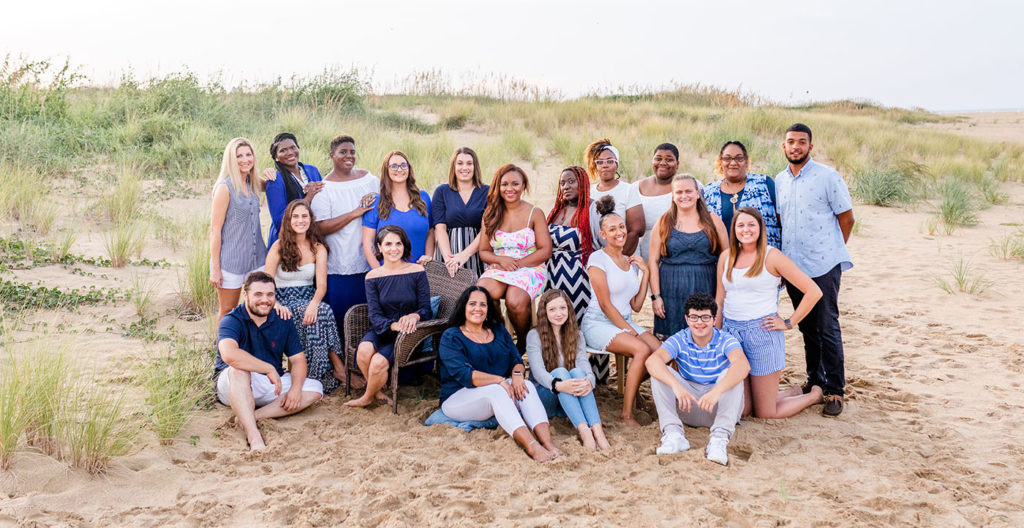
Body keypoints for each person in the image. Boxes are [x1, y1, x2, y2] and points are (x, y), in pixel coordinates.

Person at [775, 123, 855, 416]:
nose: (796, 146)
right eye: (790, 142)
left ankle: (835, 390)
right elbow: (782, 221)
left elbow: (847, 218)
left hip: (823, 264)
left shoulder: (827, 177)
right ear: (783, 147)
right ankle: (815, 381)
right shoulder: (779, 181)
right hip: (794, 266)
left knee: (827, 326)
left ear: (811, 146)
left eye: (802, 142)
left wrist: (832, 252)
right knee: (807, 326)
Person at [716, 207, 824, 419]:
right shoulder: (726, 257)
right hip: (731, 334)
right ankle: (790, 391)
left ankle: (814, 396)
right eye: (740, 225)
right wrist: (717, 336)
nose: (745, 229)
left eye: (751, 225)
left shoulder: (772, 256)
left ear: (760, 228)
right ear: (734, 229)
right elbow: (720, 300)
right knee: (744, 409)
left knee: (765, 413)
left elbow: (813, 291)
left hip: (762, 333)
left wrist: (788, 322)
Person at [439, 286, 563, 462]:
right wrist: (500, 381)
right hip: (458, 397)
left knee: (526, 385)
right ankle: (532, 447)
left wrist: (518, 375)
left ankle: (548, 443)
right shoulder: (451, 336)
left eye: (483, 304)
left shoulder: (497, 330)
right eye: (472, 304)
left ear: (488, 309)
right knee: (497, 390)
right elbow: (466, 375)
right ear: (463, 307)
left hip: (499, 392)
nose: (478, 309)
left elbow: (516, 359)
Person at [214, 271, 324, 451]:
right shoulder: (232, 320)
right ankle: (253, 435)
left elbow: (298, 360)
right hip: (233, 384)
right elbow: (229, 354)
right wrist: (267, 368)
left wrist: (295, 390)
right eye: (258, 294)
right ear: (245, 295)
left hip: (267, 383)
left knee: (315, 389)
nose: (265, 300)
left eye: (270, 295)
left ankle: (252, 416)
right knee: (238, 370)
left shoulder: (282, 319)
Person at [581, 196, 660, 427]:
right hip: (599, 322)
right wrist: (629, 331)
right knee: (641, 349)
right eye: (612, 229)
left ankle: (633, 391)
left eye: (622, 227)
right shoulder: (597, 259)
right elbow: (605, 305)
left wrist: (645, 273)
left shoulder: (630, 262)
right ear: (603, 235)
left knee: (662, 352)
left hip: (624, 320)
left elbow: (635, 306)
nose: (619, 232)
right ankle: (626, 415)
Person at [646, 293, 749, 464]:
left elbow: (743, 366)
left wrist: (717, 391)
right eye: (694, 317)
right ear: (687, 319)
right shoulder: (681, 338)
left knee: (731, 374)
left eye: (705, 317)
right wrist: (676, 386)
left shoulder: (726, 340)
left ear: (714, 319)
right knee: (660, 372)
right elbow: (652, 361)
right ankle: (674, 434)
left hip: (717, 408)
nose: (699, 322)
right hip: (689, 404)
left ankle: (718, 440)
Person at [347, 226, 432, 408]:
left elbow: (426, 308)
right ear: (379, 247)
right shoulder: (372, 276)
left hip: (408, 333)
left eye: (398, 244)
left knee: (377, 362)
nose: (394, 249)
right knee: (363, 351)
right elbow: (375, 315)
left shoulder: (417, 271)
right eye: (388, 244)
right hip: (384, 327)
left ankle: (366, 397)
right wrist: (392, 325)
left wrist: (414, 316)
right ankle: (377, 392)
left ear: (404, 246)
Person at [265, 200, 343, 394]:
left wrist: (314, 304)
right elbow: (266, 283)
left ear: (311, 219)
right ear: (289, 221)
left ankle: (317, 373)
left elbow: (321, 286)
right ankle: (332, 370)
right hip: (281, 300)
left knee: (322, 311)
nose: (300, 220)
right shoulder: (278, 247)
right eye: (296, 217)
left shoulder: (318, 248)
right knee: (320, 314)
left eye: (304, 216)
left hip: (309, 297)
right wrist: (275, 304)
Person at [309, 135, 378, 344]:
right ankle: (343, 367)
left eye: (352, 152)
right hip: (339, 265)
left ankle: (363, 360)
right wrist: (354, 213)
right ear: (332, 155)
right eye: (343, 152)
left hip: (368, 261)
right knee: (342, 319)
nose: (349, 156)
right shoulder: (324, 188)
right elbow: (319, 227)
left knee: (366, 316)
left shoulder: (370, 180)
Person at [477, 164, 552, 353]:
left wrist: (517, 264)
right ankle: (500, 333)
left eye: (515, 184)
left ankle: (524, 341)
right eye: (504, 184)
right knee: (482, 293)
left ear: (524, 185)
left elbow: (545, 250)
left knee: (514, 300)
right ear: (498, 186)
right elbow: (484, 251)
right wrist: (501, 261)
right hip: (500, 265)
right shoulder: (490, 213)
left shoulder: (535, 213)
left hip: (530, 266)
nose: (509, 189)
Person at [526, 290, 609, 450]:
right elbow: (538, 372)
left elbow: (583, 364)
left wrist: (589, 382)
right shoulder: (534, 335)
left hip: (570, 400)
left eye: (562, 308)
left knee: (579, 374)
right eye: (552, 309)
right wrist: (558, 385)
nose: (559, 313)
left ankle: (597, 431)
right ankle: (585, 431)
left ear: (569, 309)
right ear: (544, 312)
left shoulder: (576, 335)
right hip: (546, 396)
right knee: (560, 373)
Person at [648, 174, 728, 339]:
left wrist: (720, 300)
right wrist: (656, 297)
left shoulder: (713, 220)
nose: (684, 196)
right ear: (673, 196)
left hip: (706, 286)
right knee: (673, 342)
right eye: (679, 192)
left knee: (704, 338)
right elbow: (653, 261)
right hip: (671, 291)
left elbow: (726, 259)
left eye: (688, 191)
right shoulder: (664, 222)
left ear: (698, 193)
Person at [210, 137, 267, 325]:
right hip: (231, 262)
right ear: (230, 160)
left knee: (257, 308)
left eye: (248, 155)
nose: (245, 160)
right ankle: (222, 351)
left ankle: (250, 348)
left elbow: (272, 184)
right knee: (229, 311)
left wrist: (272, 173)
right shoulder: (224, 188)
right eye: (239, 156)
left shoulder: (252, 182)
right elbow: (215, 230)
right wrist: (216, 269)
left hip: (256, 259)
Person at [702, 141, 781, 249]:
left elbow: (782, 221)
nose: (733, 163)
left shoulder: (764, 184)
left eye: (739, 158)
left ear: (746, 162)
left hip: (762, 260)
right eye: (727, 158)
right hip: (722, 261)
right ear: (720, 162)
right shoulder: (708, 192)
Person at [362, 151, 434, 268]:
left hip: (419, 271)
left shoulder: (423, 198)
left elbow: (431, 231)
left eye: (403, 165)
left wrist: (429, 257)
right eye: (394, 166)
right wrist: (379, 273)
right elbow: (367, 242)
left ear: (409, 168)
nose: (399, 169)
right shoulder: (376, 202)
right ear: (386, 170)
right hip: (386, 273)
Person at [545, 166, 595, 323]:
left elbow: (604, 245)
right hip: (552, 276)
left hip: (580, 279)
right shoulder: (556, 211)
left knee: (574, 323)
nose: (566, 186)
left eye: (571, 182)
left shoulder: (593, 209)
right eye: (562, 183)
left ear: (583, 183)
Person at [432, 147, 489, 277]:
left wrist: (465, 255)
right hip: (448, 254)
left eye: (469, 163)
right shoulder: (442, 191)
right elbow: (440, 228)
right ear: (453, 166)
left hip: (477, 253)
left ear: (475, 167)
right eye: (460, 163)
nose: (465, 168)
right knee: (449, 295)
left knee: (477, 294)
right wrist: (449, 260)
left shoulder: (487, 192)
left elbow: (488, 228)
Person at [263, 133, 324, 248]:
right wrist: (308, 198)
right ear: (276, 157)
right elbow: (279, 221)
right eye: (283, 150)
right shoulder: (275, 180)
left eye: (293, 147)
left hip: (312, 237)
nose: (290, 152)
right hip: (288, 243)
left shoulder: (312, 170)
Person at [585, 138, 644, 255]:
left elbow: (637, 229)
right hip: (596, 257)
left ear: (617, 164)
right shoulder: (588, 192)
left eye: (609, 161)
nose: (605, 165)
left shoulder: (628, 190)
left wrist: (619, 258)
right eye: (600, 162)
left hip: (625, 255)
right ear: (595, 166)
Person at [635, 143, 679, 261]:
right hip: (647, 259)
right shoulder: (636, 188)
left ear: (677, 164)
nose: (663, 163)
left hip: (679, 258)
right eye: (658, 159)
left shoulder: (688, 186)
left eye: (669, 160)